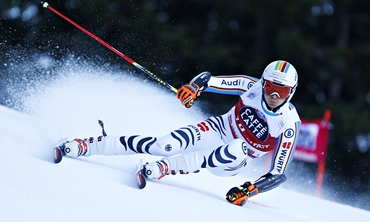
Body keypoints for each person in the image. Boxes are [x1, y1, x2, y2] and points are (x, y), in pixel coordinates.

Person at [58, 60, 300, 206]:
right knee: (164, 144)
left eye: (281, 90)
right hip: (219, 128)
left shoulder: (288, 124)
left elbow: (278, 173)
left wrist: (248, 190)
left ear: (291, 92)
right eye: (270, 86)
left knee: (237, 148)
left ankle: (166, 167)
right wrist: (193, 89)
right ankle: (89, 145)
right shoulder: (252, 86)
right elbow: (208, 79)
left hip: (232, 161)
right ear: (263, 82)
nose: (273, 94)